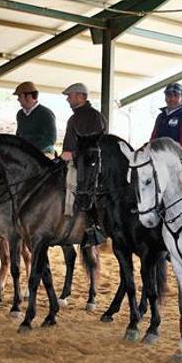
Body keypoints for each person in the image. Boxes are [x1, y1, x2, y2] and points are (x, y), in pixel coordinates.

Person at [61, 83, 106, 247]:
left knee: (86, 189)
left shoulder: (94, 116)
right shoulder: (74, 117)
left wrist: (73, 155)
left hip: (87, 164)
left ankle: (93, 228)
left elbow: (94, 146)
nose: (67, 99)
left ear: (81, 96)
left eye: (70, 95)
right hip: (71, 160)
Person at [150, 82, 182, 151]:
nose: (172, 99)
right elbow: (152, 140)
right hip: (157, 158)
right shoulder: (161, 116)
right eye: (169, 95)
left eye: (176, 95)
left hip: (177, 160)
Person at [14, 81, 57, 155]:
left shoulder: (46, 114)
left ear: (29, 96)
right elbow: (18, 134)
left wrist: (30, 150)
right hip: (24, 152)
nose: (18, 99)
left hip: (42, 152)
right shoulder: (20, 114)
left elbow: (51, 139)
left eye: (19, 96)